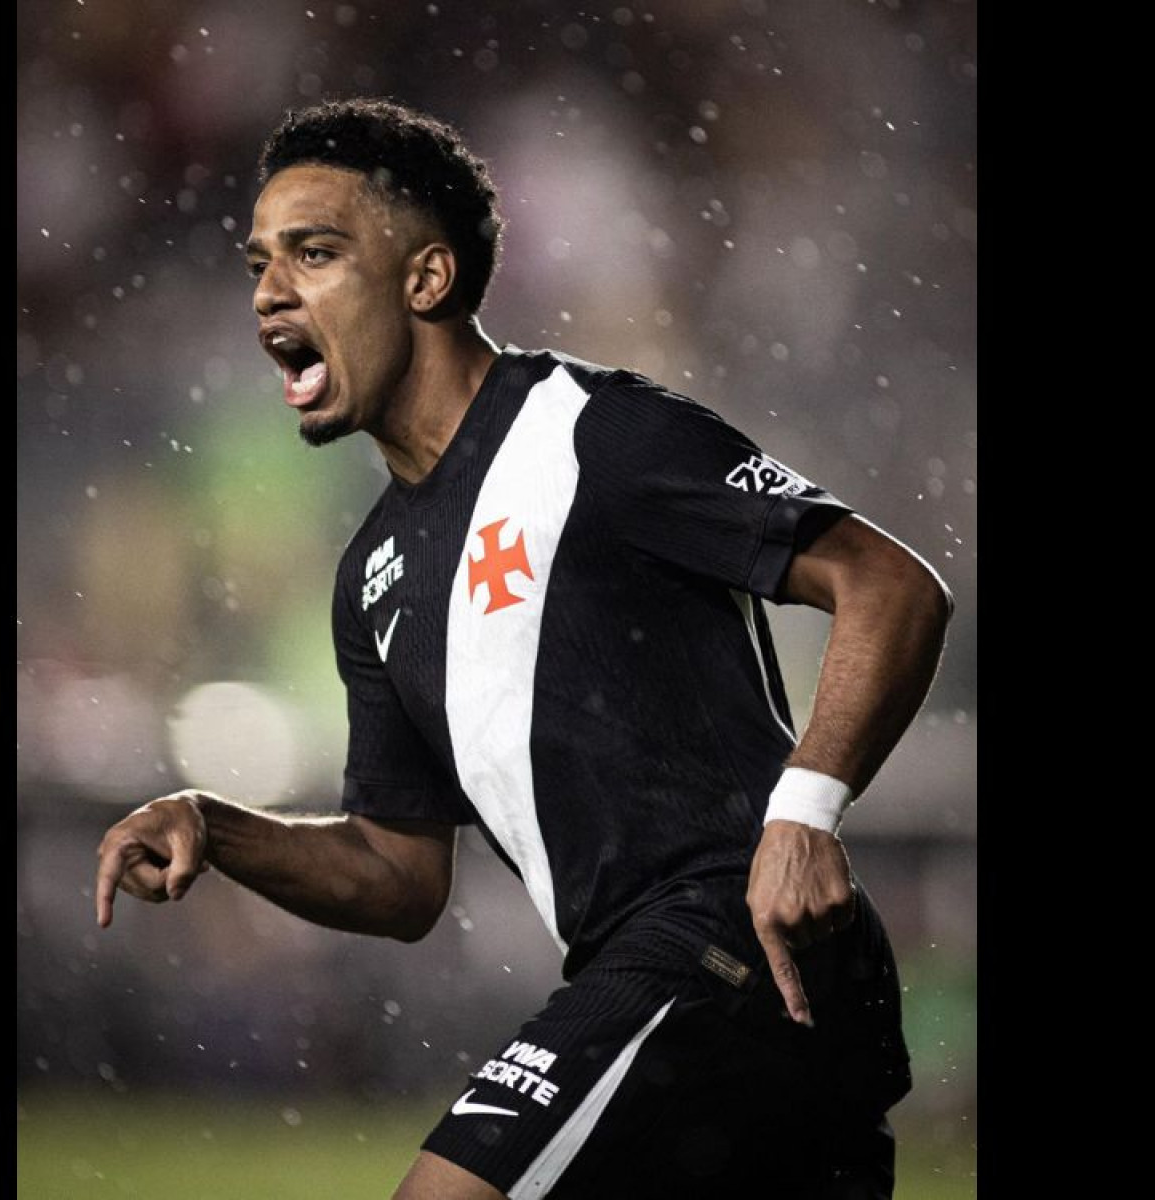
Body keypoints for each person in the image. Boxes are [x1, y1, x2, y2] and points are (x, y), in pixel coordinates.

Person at [94, 98, 953, 1200]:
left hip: (725, 931)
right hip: (704, 988)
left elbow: (891, 585)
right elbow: (399, 875)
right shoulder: (375, 578)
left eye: (314, 253)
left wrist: (804, 813)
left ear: (426, 278)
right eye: (260, 263)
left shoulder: (593, 428)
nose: (269, 291)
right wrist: (220, 829)